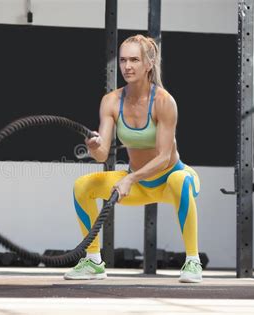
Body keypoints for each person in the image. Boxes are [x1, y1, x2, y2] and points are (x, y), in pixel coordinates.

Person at [64, 34, 202, 283]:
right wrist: (93, 146)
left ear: (148, 64)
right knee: (82, 186)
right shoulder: (111, 101)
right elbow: (102, 154)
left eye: (134, 60)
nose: (127, 66)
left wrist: (131, 179)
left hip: (170, 179)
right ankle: (94, 261)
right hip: (138, 184)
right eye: (123, 60)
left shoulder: (164, 101)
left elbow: (164, 156)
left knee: (181, 181)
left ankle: (192, 261)